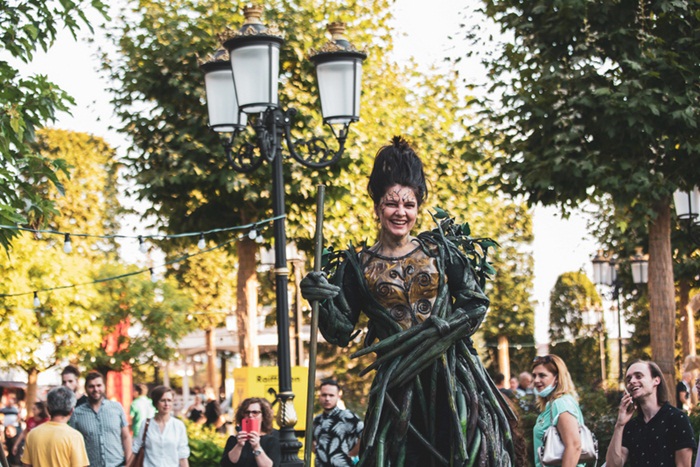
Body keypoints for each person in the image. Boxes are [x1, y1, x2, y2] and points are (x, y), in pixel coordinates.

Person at [300, 136, 515, 466]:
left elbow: (475, 301)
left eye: (409, 205)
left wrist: (442, 332)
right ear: (377, 207)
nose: (401, 212)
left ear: (417, 209)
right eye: (392, 204)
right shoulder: (358, 266)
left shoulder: (440, 252)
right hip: (397, 392)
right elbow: (340, 331)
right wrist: (320, 300)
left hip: (452, 384)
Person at [606, 360, 695, 467]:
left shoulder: (677, 418)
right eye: (628, 379)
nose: (632, 381)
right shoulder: (631, 426)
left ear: (656, 380)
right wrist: (619, 425)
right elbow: (612, 465)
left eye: (638, 376)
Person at [530, 354, 586, 467]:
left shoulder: (561, 403)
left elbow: (574, 446)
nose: (536, 380)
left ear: (557, 378)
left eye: (542, 375)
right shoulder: (551, 405)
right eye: (534, 376)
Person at [69, 371, 132, 467]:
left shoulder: (116, 408)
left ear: (104, 386)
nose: (96, 389)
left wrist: (129, 462)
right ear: (86, 388)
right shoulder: (77, 413)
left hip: (118, 464)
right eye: (91, 386)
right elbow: (73, 444)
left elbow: (126, 436)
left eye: (99, 385)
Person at [20, 386, 89, 467]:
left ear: (48, 409)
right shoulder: (74, 436)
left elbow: (26, 465)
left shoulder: (32, 434)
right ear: (72, 410)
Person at [132, 385, 190, 467]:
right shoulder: (146, 424)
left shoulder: (178, 426)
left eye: (169, 400)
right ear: (156, 402)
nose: (166, 404)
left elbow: (182, 455)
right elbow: (136, 449)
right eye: (162, 400)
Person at [312, 379, 363, 467]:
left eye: (331, 395)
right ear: (319, 396)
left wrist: (353, 452)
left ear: (338, 396)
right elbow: (312, 440)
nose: (327, 399)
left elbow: (365, 434)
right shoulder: (317, 420)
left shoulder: (347, 417)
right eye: (324, 395)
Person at [220, 397, 280, 467]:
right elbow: (226, 464)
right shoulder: (233, 440)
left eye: (255, 412)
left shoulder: (271, 441)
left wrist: (257, 447)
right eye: (247, 412)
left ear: (263, 416)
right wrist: (239, 445)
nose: (250, 415)